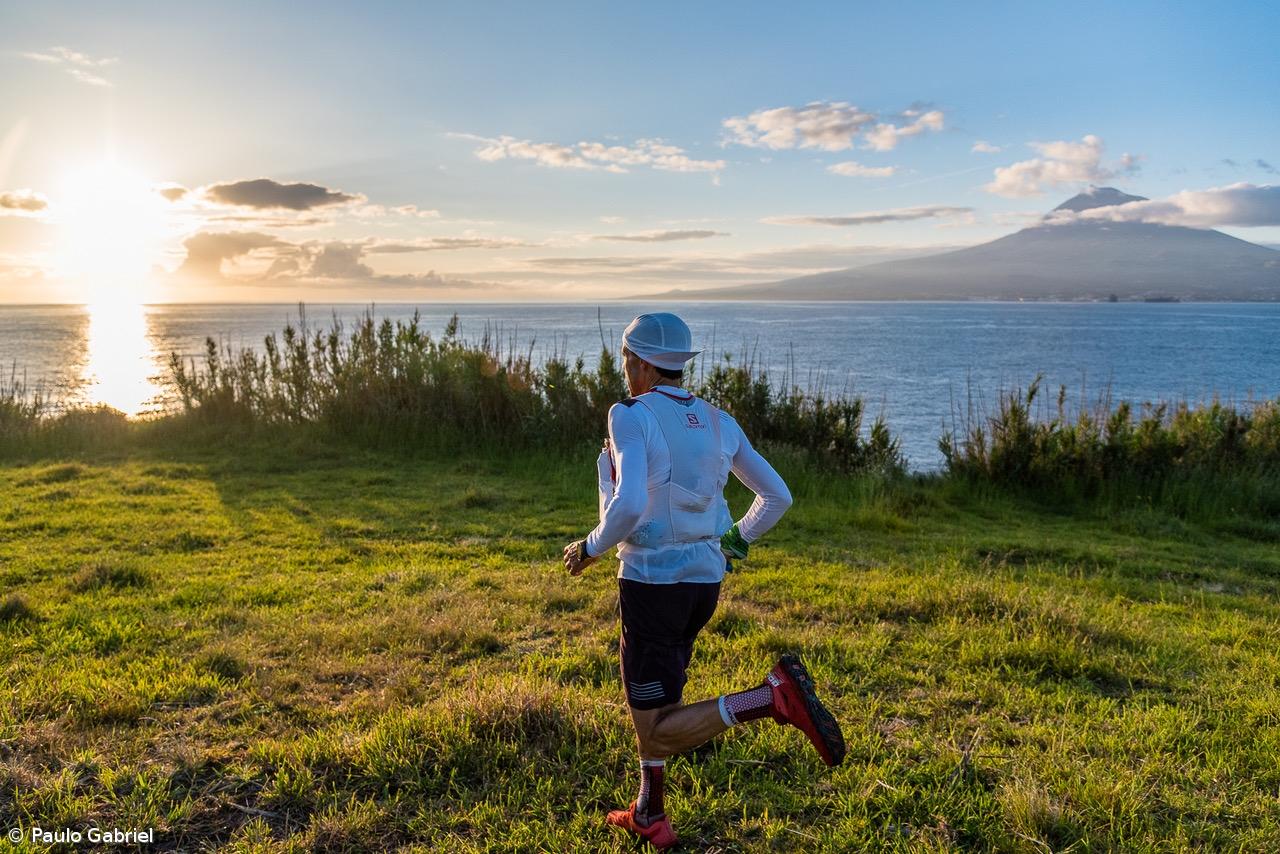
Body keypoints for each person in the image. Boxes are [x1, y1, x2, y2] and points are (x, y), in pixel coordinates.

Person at [562, 312, 845, 850]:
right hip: (703, 587)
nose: (626, 372)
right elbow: (777, 496)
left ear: (640, 363)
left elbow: (630, 506)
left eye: (626, 361)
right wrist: (736, 540)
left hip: (652, 586)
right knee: (661, 700)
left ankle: (770, 699)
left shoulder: (629, 415)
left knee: (655, 725)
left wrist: (590, 548)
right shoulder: (719, 421)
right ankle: (650, 812)